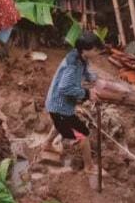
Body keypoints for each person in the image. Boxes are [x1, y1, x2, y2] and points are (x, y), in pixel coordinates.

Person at [43, 31, 101, 175]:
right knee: (83, 134)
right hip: (59, 105)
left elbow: (86, 71)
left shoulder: (80, 57)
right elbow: (65, 87)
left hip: (61, 106)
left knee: (60, 123)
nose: (97, 52)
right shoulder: (72, 64)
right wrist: (87, 93)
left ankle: (47, 144)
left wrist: (93, 78)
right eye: (95, 49)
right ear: (86, 50)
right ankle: (89, 167)